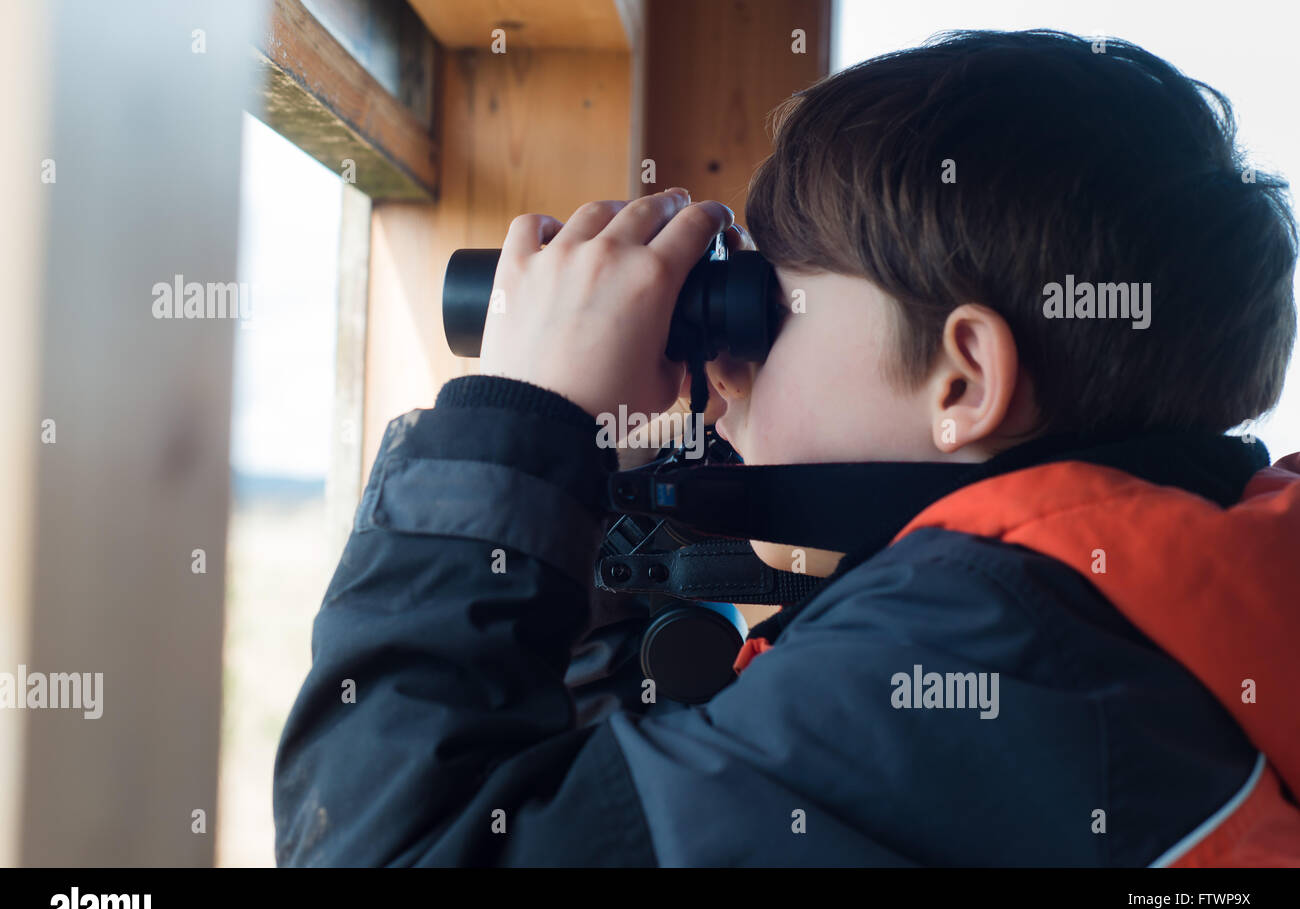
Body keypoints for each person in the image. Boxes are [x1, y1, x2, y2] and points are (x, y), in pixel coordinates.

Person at [274, 30, 1300, 865]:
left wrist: (519, 421)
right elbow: (614, 805)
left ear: (963, 381)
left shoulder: (978, 652)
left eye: (764, 301)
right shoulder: (1139, 612)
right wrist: (593, 505)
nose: (723, 362)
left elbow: (388, 850)